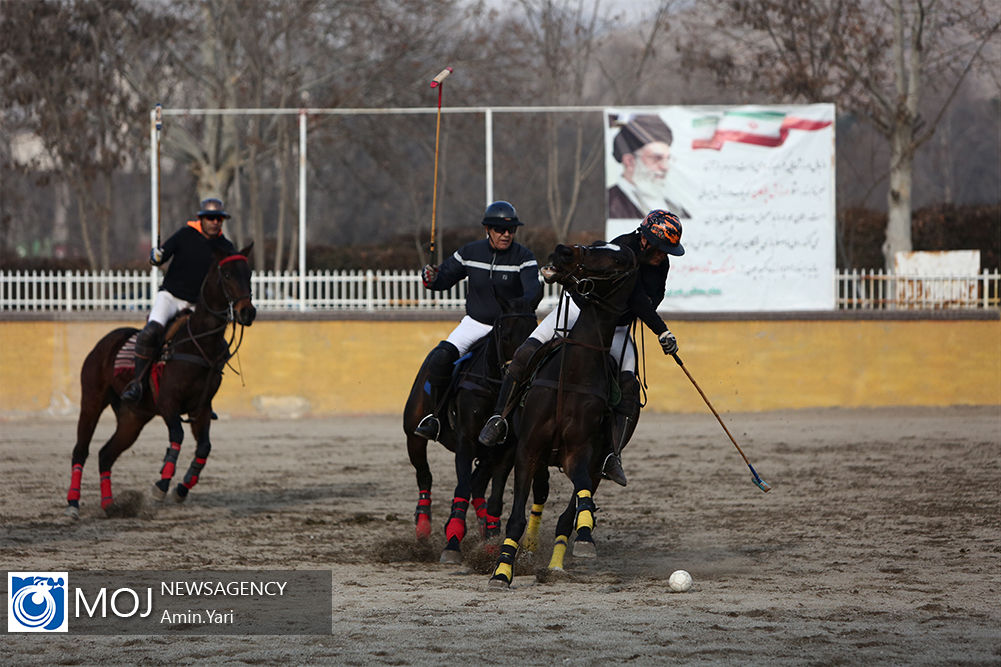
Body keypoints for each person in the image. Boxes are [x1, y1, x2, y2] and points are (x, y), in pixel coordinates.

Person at [478, 209, 684, 487]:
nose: (664, 255)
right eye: (662, 248)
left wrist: (657, 326)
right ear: (646, 240)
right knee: (525, 353)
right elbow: (635, 297)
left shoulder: (661, 265)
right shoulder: (624, 249)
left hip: (616, 327)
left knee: (628, 383)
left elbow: (650, 299)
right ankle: (499, 419)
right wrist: (661, 330)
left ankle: (612, 454)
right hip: (578, 309)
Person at [413, 200, 541, 440]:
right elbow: (442, 279)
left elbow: (533, 291)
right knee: (441, 358)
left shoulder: (524, 257)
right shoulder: (470, 253)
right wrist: (431, 278)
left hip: (510, 331)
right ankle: (436, 418)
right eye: (500, 229)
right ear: (487, 230)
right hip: (475, 324)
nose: (506, 234)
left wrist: (515, 311)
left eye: (511, 230)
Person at [121, 197, 238, 403]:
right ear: (201, 219)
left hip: (198, 305)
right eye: (210, 218)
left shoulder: (225, 246)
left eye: (219, 219)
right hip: (171, 297)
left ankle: (204, 398)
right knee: (150, 332)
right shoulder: (185, 235)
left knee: (219, 347)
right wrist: (156, 256)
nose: (215, 222)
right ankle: (138, 384)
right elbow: (160, 258)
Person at [608, 114, 690, 219]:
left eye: (667, 159)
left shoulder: (674, 205)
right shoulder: (610, 202)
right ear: (629, 161)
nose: (665, 167)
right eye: (657, 158)